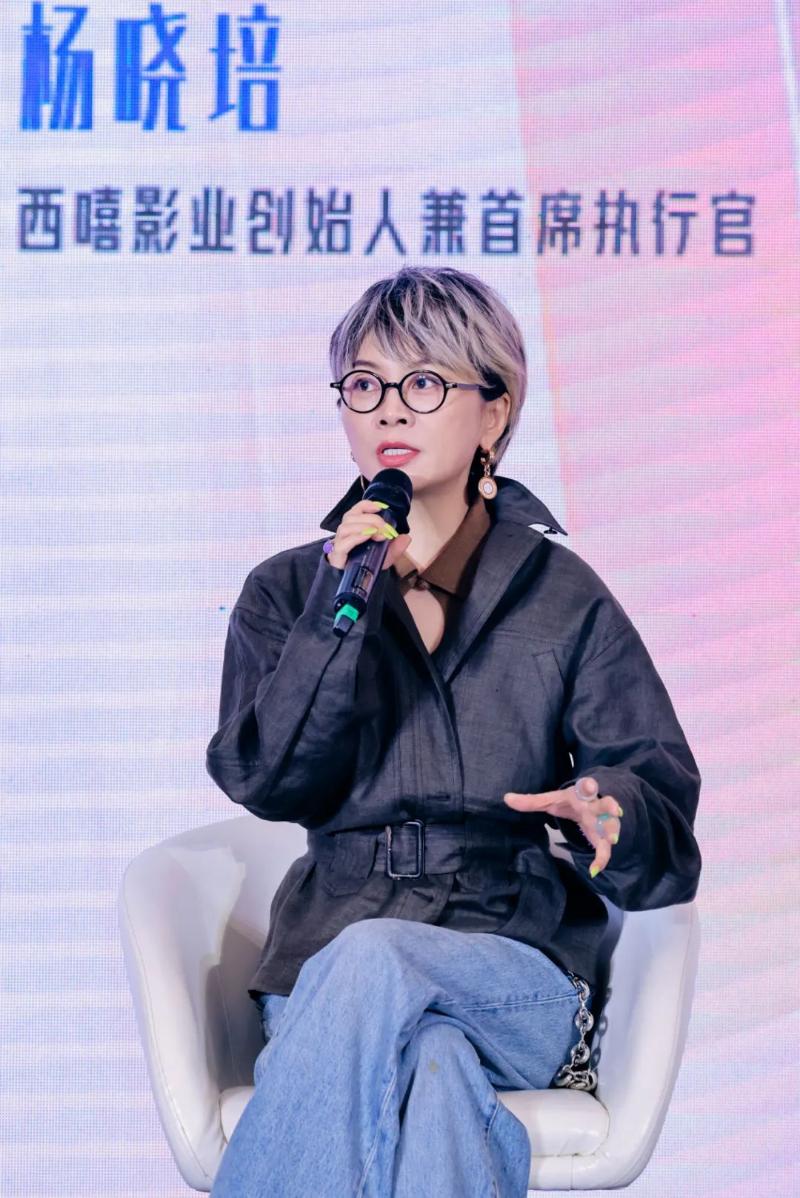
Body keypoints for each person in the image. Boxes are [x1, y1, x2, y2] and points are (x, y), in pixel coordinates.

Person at [206, 266, 702, 1197]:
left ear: (494, 412)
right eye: (364, 384)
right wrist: (337, 608)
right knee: (433, 1070)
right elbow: (268, 779)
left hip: (516, 970)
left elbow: (657, 803)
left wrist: (611, 813)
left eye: (425, 382)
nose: (389, 408)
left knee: (376, 959)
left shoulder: (563, 597)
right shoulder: (290, 589)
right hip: (329, 972)